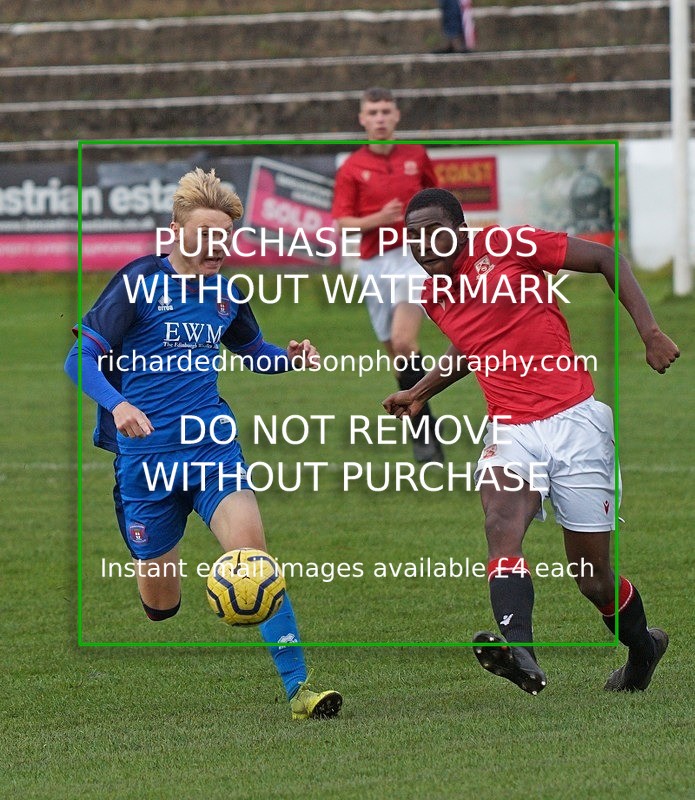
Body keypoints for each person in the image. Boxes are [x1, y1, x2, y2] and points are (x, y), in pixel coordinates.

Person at [65, 167, 342, 720]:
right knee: (161, 606)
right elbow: (80, 358)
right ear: (175, 232)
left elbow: (255, 352)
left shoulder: (226, 294)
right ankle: (157, 561)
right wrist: (119, 405)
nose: (219, 246)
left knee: (255, 561)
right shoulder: (138, 282)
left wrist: (290, 359)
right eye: (207, 234)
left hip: (212, 449)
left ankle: (300, 691)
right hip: (146, 464)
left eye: (226, 236)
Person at [383, 187, 679, 694]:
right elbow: (474, 344)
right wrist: (419, 392)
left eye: (435, 232)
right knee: (500, 522)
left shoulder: (510, 245)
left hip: (576, 423)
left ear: (461, 230)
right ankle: (520, 653)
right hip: (511, 430)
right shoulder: (434, 298)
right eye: (414, 237)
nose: (424, 245)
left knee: (593, 578)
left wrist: (649, 332)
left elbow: (606, 259)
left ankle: (642, 649)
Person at [332, 87, 444, 463]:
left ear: (396, 116)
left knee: (403, 340)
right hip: (374, 264)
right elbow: (343, 223)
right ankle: (423, 426)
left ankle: (425, 437)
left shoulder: (416, 156)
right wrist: (377, 219)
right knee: (397, 355)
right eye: (373, 112)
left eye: (385, 111)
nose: (380, 118)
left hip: (413, 259)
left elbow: (438, 201)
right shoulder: (352, 167)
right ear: (362, 119)